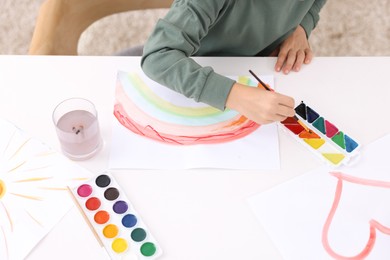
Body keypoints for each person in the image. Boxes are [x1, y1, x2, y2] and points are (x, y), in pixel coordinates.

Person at [141, 0, 327, 125]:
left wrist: (303, 24)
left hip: (266, 62)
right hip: (198, 67)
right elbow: (158, 56)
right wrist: (233, 95)